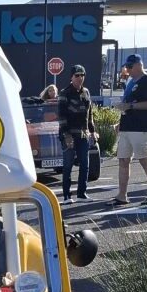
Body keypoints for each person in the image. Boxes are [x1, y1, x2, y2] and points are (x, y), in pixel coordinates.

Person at [113, 54, 147, 205]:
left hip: (141, 127)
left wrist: (131, 106)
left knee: (143, 159)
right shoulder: (130, 81)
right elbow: (126, 102)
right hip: (127, 126)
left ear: (139, 65)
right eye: (126, 67)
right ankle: (122, 195)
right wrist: (120, 122)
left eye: (130, 66)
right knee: (123, 160)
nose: (127, 69)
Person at [57, 64, 96, 203]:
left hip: (83, 134)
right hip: (69, 135)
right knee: (67, 165)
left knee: (85, 164)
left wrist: (92, 131)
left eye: (82, 75)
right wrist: (67, 135)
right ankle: (67, 196)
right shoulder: (64, 93)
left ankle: (81, 193)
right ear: (71, 77)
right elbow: (61, 116)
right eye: (77, 75)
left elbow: (89, 113)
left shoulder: (86, 92)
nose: (80, 78)